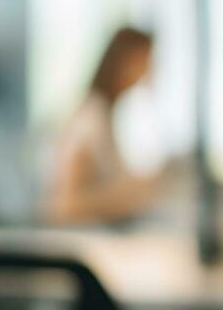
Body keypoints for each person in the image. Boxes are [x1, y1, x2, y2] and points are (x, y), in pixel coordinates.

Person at [43, 26, 160, 225]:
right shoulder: (90, 120)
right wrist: (133, 195)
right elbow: (63, 205)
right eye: (146, 61)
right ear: (125, 62)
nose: (151, 69)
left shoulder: (104, 116)